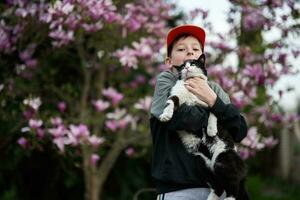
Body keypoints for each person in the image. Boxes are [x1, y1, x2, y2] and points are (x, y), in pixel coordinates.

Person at [150, 25, 248, 200]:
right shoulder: (166, 81)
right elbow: (181, 119)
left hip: (220, 189)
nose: (189, 52)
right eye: (181, 49)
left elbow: (239, 130)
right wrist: (215, 111)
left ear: (201, 60)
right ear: (169, 61)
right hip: (178, 190)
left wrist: (213, 100)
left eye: (195, 49)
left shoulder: (214, 89)